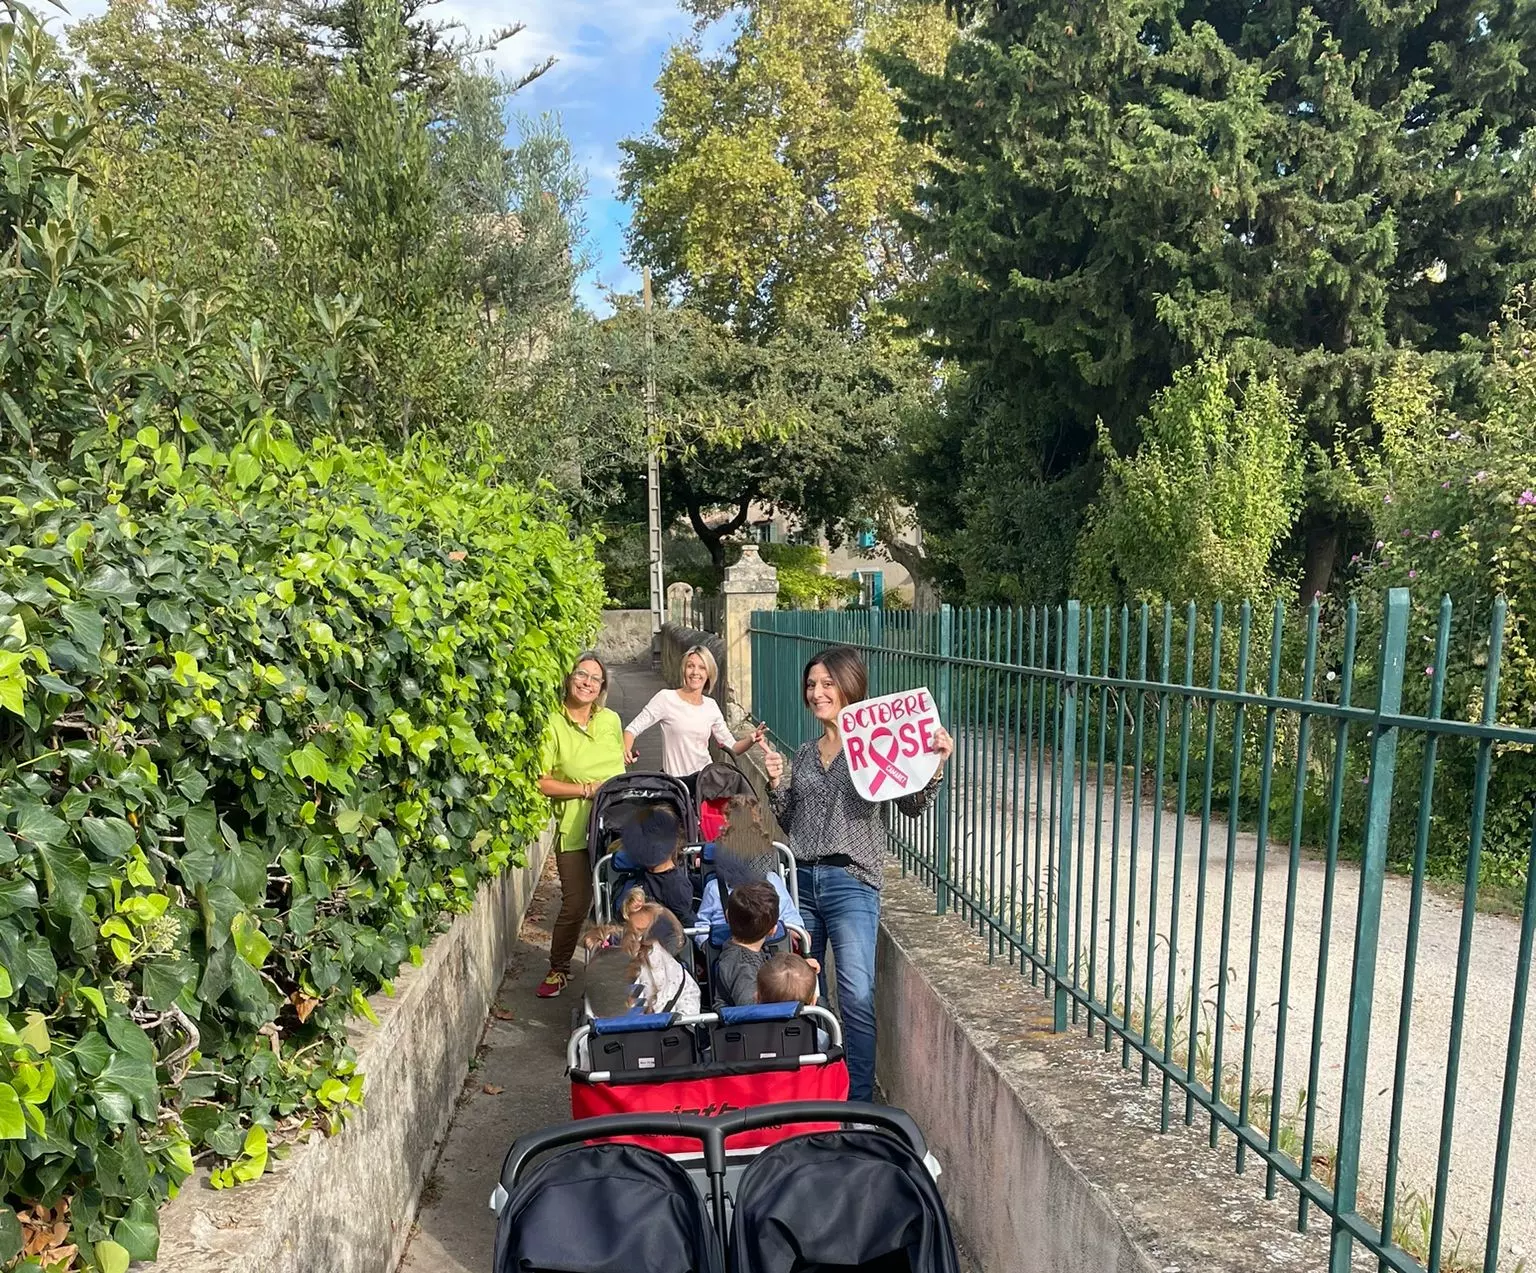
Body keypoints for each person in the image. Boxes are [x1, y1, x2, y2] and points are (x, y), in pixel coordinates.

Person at [763, 647, 953, 1102]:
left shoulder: (874, 744)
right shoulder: (806, 753)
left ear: (850, 686)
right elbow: (793, 821)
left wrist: (936, 765)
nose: (817, 692)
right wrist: (775, 784)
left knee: (856, 998)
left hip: (852, 882)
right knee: (805, 992)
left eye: (827, 683)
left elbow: (911, 806)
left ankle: (860, 1102)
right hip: (803, 881)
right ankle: (815, 1088)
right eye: (811, 685)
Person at [535, 652, 625, 999]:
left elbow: (619, 765)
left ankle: (619, 967)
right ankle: (558, 968)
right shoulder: (552, 724)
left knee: (622, 896)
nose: (587, 683)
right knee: (576, 903)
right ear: (569, 678)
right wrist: (586, 789)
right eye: (582, 675)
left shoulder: (610, 721)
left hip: (615, 823)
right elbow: (541, 781)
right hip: (575, 827)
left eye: (595, 679)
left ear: (602, 688)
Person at [622, 645, 765, 800]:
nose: (695, 672)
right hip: (676, 785)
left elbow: (732, 747)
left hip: (705, 785)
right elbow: (632, 729)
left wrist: (751, 739)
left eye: (702, 668)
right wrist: (627, 750)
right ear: (684, 670)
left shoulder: (711, 706)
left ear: (709, 673)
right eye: (690, 666)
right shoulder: (666, 699)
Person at [695, 796, 806, 947]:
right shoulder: (715, 888)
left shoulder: (772, 881)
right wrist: (705, 945)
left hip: (766, 953)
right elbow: (701, 928)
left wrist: (796, 931)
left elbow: (791, 916)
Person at [614, 804, 697, 927]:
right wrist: (628, 908)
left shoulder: (676, 886)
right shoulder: (636, 875)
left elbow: (686, 925)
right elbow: (618, 917)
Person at [713, 881, 779, 1007]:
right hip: (753, 1025)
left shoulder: (747, 954)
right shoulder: (743, 965)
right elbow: (750, 1009)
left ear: (727, 916)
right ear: (773, 930)